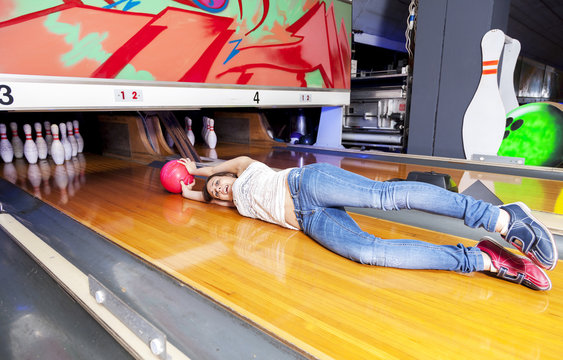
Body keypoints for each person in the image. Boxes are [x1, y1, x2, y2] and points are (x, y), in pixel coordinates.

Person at [178, 156, 558, 291]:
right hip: (310, 219)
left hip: (305, 183)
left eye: (221, 181)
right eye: (217, 189)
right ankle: (485, 260)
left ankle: (503, 218)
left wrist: (198, 170)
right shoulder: (230, 204)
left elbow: (216, 169)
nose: (221, 186)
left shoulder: (245, 170)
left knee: (385, 198)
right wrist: (190, 191)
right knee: (367, 252)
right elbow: (197, 196)